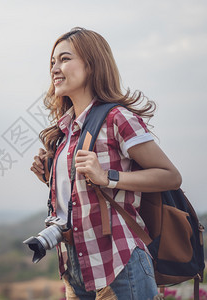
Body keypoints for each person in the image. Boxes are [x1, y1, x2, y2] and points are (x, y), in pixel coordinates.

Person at [30, 27, 181, 300]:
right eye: (52, 62)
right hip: (75, 269)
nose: (55, 68)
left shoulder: (117, 118)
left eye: (65, 59)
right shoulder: (65, 132)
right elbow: (80, 195)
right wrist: (49, 176)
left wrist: (107, 176)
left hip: (118, 263)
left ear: (91, 64)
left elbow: (169, 175)